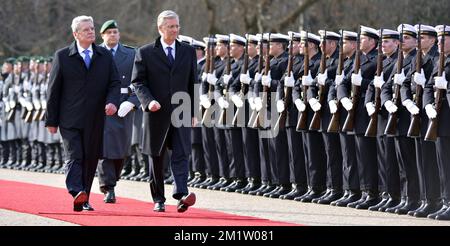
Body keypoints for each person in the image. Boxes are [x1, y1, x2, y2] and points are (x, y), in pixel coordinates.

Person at [45, 15, 120, 212]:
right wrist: (51, 120)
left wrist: (112, 102)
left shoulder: (104, 56)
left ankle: (84, 197)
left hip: (95, 118)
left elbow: (114, 83)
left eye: (92, 28)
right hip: (69, 118)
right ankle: (76, 190)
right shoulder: (62, 56)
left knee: (90, 157)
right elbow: (53, 90)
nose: (91, 32)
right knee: (74, 155)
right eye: (86, 29)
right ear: (75, 34)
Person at [132, 10, 197, 213]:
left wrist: (194, 112)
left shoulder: (188, 51)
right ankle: (158, 198)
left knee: (181, 153)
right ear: (160, 28)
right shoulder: (146, 52)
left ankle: (181, 194)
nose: (175, 29)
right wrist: (148, 101)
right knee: (157, 157)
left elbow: (193, 83)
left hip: (182, 111)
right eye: (171, 26)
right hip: (156, 113)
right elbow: (138, 82)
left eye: (177, 26)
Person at [97, 20, 138, 204]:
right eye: (109, 32)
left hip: (123, 105)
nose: (112, 35)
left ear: (119, 34)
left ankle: (113, 180)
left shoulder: (130, 54)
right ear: (102, 35)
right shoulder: (95, 53)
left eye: (115, 32)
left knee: (121, 149)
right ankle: (108, 187)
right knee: (105, 149)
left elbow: (141, 82)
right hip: (102, 106)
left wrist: (132, 102)